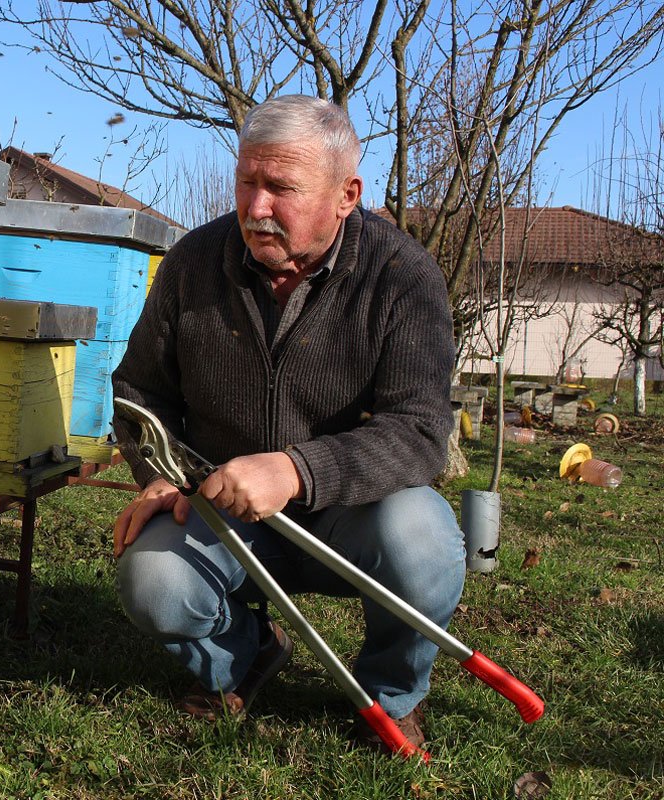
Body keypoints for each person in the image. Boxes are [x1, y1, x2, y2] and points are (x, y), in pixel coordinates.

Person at [110, 94, 465, 751]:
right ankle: (244, 657)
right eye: (247, 181)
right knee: (151, 578)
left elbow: (419, 430)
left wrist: (298, 470)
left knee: (425, 542)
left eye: (282, 188)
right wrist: (158, 475)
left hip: (356, 516)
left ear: (346, 194)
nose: (255, 207)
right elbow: (139, 388)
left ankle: (390, 695)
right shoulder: (195, 263)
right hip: (222, 512)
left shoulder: (403, 276)